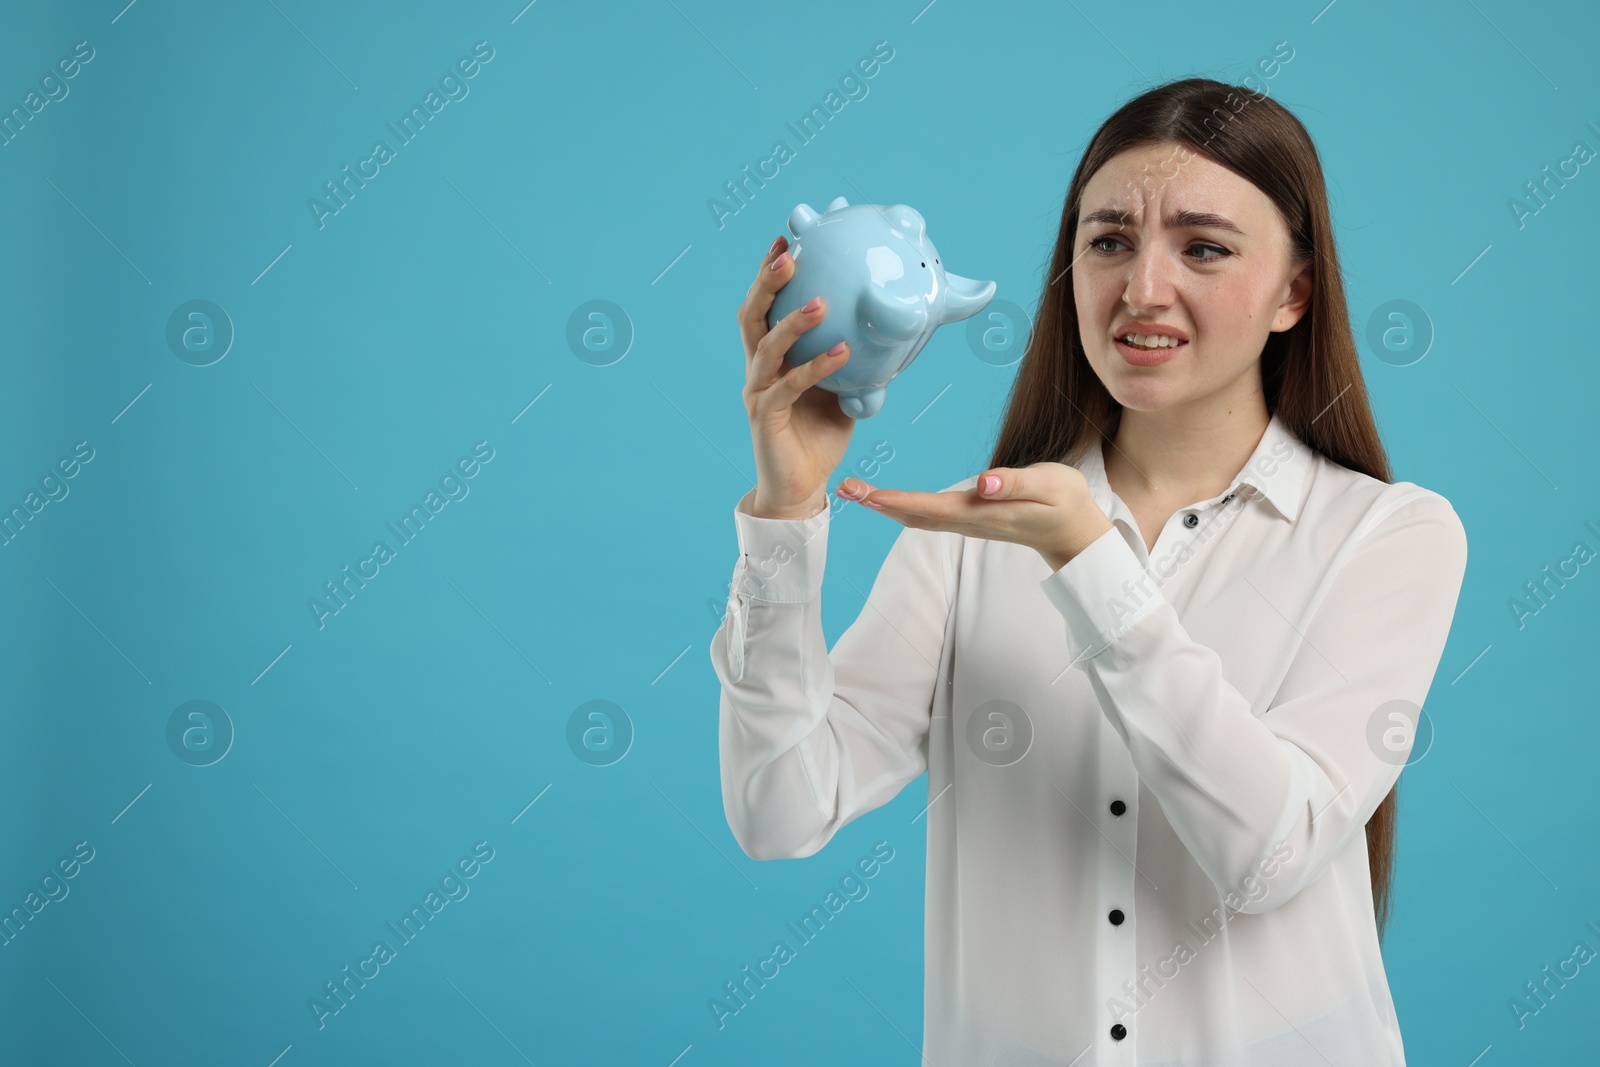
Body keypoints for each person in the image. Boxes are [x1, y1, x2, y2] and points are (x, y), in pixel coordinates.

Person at [710, 76, 1467, 1066]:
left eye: (1203, 247)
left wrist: (1090, 563)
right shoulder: (959, 542)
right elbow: (779, 808)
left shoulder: (1388, 534)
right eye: (1109, 241)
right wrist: (785, 511)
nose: (1142, 289)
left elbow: (1269, 853)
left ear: (1294, 291)